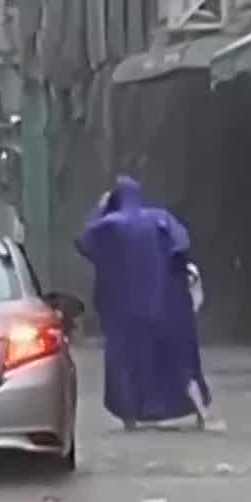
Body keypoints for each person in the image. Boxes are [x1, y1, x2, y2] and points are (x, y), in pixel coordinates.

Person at [76, 173, 213, 430]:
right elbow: (182, 247)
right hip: (167, 307)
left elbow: (84, 241)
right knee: (181, 362)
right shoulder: (161, 218)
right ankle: (202, 413)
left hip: (126, 312)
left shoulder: (110, 224)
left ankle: (130, 420)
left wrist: (99, 208)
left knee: (126, 366)